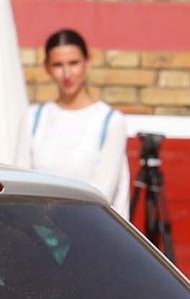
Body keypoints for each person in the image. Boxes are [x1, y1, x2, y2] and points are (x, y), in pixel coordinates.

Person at [18, 29, 129, 210]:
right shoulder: (33, 119)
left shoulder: (110, 122)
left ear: (88, 62)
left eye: (74, 63)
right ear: (47, 67)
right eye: (58, 65)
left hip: (92, 230)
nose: (67, 73)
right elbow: (22, 182)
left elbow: (103, 193)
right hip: (38, 228)